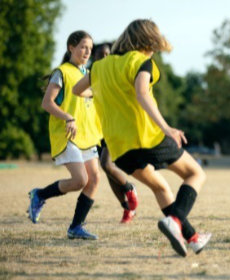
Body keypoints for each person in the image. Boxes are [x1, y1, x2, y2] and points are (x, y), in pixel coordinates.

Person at [73, 19, 211, 257]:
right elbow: (142, 93)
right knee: (196, 174)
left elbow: (77, 90)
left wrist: (103, 91)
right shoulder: (142, 62)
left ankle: (193, 238)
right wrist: (167, 128)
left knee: (161, 187)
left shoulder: (100, 67)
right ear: (149, 40)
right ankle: (175, 221)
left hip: (120, 149)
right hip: (147, 137)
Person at [28, 31, 102, 240]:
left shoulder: (88, 74)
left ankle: (75, 228)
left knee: (94, 179)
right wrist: (68, 117)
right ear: (71, 47)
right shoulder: (61, 72)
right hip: (67, 133)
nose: (87, 52)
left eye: (90, 48)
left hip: (87, 135)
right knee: (80, 180)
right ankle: (39, 195)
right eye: (83, 47)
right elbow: (47, 103)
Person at [92, 43, 138, 224]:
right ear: (94, 57)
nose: (104, 57)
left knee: (106, 164)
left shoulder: (113, 75)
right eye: (100, 54)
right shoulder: (92, 75)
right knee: (109, 171)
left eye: (107, 54)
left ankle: (129, 187)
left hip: (115, 126)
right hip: (97, 129)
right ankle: (127, 209)